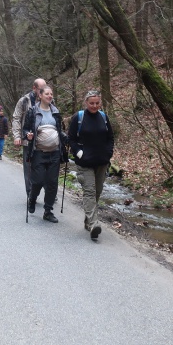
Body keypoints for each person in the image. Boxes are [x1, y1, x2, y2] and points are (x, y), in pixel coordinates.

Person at [67, 90, 115, 241]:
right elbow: (71, 138)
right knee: (89, 191)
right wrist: (78, 152)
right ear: (86, 103)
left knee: (97, 192)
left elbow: (110, 137)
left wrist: (109, 153)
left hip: (101, 162)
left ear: (100, 103)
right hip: (85, 163)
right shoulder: (79, 117)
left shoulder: (103, 117)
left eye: (97, 103)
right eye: (91, 103)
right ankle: (94, 224)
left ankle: (88, 220)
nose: (94, 106)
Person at [23, 85, 67, 223]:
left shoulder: (55, 112)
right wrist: (28, 135)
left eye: (51, 94)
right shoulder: (33, 111)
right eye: (47, 94)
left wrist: (68, 139)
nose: (50, 96)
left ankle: (48, 211)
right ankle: (32, 198)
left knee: (52, 183)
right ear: (40, 95)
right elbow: (25, 130)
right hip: (38, 152)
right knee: (38, 181)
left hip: (55, 152)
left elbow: (59, 130)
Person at [13, 78, 46, 198]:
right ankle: (30, 193)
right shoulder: (24, 101)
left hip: (44, 140)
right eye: (41, 89)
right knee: (29, 168)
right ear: (34, 88)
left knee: (45, 166)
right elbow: (16, 118)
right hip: (28, 140)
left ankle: (49, 191)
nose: (43, 91)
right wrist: (17, 136)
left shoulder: (48, 100)